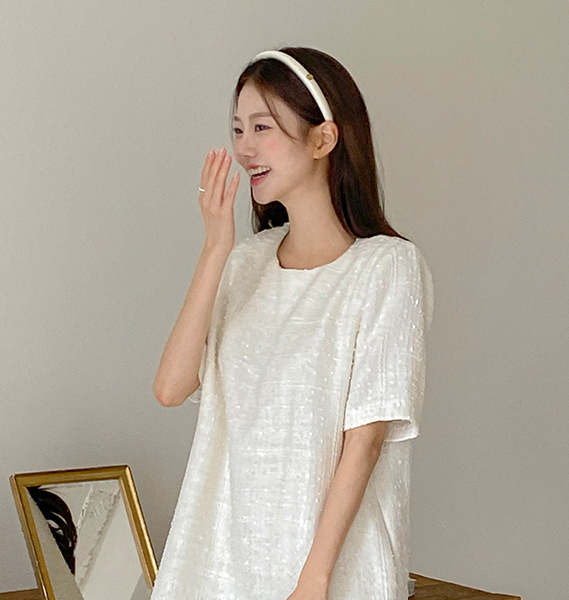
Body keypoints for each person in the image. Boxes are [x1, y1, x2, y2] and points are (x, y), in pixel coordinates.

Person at [150, 46, 433, 600]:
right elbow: (170, 388)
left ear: (323, 139)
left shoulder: (387, 267)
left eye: (262, 127)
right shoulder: (245, 263)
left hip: (328, 573)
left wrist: (314, 581)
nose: (243, 148)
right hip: (219, 566)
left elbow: (366, 441)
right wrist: (215, 248)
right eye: (237, 129)